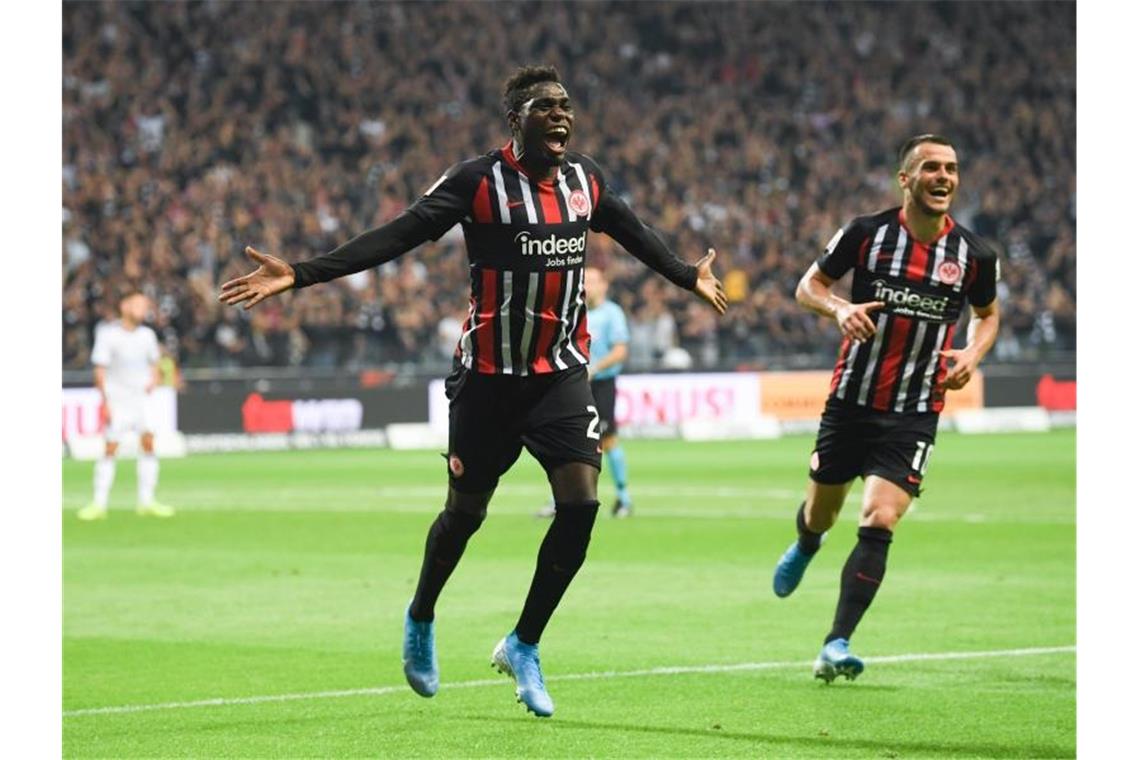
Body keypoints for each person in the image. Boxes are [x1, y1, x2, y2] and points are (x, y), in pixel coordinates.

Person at [219, 64, 726, 717]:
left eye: (567, 106)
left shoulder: (584, 180)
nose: (562, 116)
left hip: (561, 375)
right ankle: (422, 614)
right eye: (546, 107)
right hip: (487, 380)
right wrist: (304, 274)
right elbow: (400, 234)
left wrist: (687, 276)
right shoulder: (477, 181)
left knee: (580, 506)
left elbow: (631, 230)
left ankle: (524, 642)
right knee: (466, 514)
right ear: (515, 119)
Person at [770, 134, 1000, 683]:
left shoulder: (974, 255)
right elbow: (809, 286)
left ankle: (836, 642)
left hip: (915, 409)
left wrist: (973, 351)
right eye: (930, 168)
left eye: (951, 168)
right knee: (823, 514)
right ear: (906, 179)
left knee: (880, 516)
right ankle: (807, 541)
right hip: (850, 402)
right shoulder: (866, 234)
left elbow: (987, 315)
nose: (944, 177)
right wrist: (838, 308)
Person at [538, 266, 633, 518]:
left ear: (604, 285)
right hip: (572, 384)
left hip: (601, 385)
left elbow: (620, 351)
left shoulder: (612, 313)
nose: (587, 286)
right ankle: (558, 499)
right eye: (584, 281)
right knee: (563, 440)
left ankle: (624, 498)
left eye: (592, 281)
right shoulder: (572, 311)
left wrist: (596, 368)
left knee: (608, 439)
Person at [78, 292, 175, 520]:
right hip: (117, 400)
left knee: (149, 443)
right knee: (111, 448)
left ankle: (147, 501)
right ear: (124, 306)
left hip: (141, 399)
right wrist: (104, 402)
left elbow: (154, 363)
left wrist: (154, 379)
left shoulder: (147, 335)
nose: (143, 309)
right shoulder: (108, 335)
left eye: (145, 305)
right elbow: (100, 370)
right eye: (138, 304)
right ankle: (98, 503)